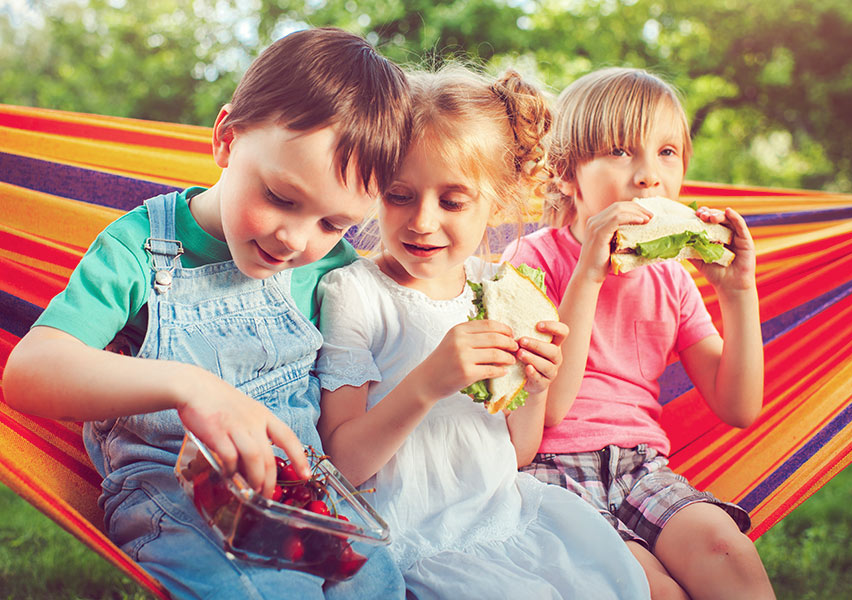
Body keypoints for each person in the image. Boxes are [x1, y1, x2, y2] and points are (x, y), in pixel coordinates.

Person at [3, 28, 412, 600]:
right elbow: (29, 372)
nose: (295, 239)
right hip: (176, 496)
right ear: (225, 139)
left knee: (380, 584)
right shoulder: (140, 248)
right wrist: (189, 386)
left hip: (296, 496)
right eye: (281, 197)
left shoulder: (336, 272)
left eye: (332, 223)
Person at [313, 65, 651, 600]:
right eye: (400, 195)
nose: (422, 221)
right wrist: (427, 383)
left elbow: (515, 451)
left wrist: (534, 389)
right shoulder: (353, 293)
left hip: (505, 518)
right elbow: (342, 465)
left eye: (452, 201)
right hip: (414, 538)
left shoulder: (503, 289)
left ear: (498, 203)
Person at [501, 66, 775, 600]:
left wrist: (738, 293)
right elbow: (549, 407)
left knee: (729, 554)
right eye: (621, 151)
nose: (649, 174)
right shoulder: (531, 260)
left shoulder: (671, 277)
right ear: (564, 174)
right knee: (650, 589)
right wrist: (588, 275)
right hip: (549, 473)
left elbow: (738, 407)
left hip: (641, 466)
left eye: (666, 152)